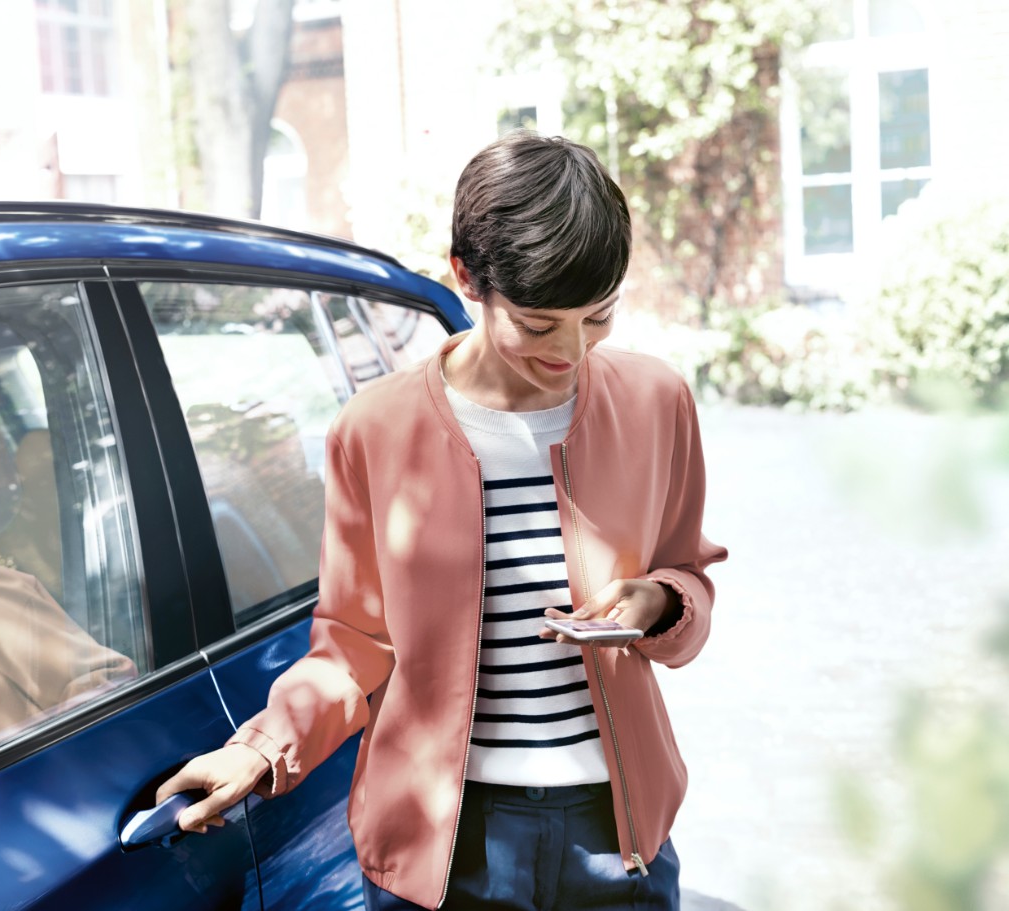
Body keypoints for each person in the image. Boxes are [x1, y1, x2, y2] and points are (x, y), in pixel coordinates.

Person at [156, 131, 727, 911]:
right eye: (537, 324)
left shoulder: (658, 402)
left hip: (616, 836)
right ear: (465, 277)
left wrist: (659, 603)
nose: (571, 351)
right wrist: (261, 747)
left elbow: (688, 576)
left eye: (598, 318)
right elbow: (354, 641)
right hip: (448, 846)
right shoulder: (375, 429)